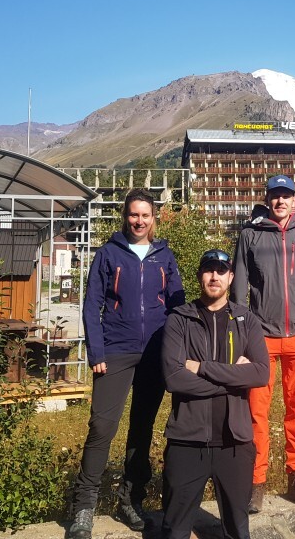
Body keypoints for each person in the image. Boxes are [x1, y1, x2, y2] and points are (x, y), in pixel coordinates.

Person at [69, 189, 186, 539]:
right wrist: (97, 352)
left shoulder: (164, 256)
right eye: (134, 215)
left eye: (145, 215)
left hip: (154, 354)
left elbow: (177, 305)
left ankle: (131, 500)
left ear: (154, 218)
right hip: (116, 351)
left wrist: (179, 348)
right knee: (102, 427)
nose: (139, 221)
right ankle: (84, 508)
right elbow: (92, 306)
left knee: (141, 430)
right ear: (126, 216)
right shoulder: (107, 254)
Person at [160, 249, 270, 539]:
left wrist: (202, 367)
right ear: (199, 276)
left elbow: (261, 373)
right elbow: (174, 378)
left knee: (237, 530)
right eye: (208, 270)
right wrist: (234, 378)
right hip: (187, 440)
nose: (214, 276)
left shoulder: (247, 320)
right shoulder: (179, 320)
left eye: (221, 270)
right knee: (175, 530)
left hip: (235, 443)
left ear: (231, 277)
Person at [230, 174, 295, 513]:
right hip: (261, 340)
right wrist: (242, 332)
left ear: (294, 199)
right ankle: (257, 482)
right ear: (267, 199)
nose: (280, 201)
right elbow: (238, 286)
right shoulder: (250, 236)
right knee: (257, 414)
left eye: (286, 195)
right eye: (275, 195)